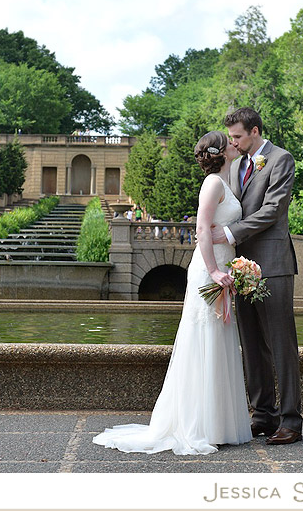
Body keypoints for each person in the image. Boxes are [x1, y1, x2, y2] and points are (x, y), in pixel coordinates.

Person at [93, 131, 251, 455]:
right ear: (221, 151)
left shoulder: (225, 182)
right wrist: (216, 271)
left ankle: (216, 423)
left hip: (222, 267)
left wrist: (231, 267)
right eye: (230, 141)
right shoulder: (213, 184)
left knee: (218, 342)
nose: (236, 143)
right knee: (203, 341)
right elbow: (202, 230)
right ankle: (198, 425)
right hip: (209, 270)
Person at [212, 107, 303, 445]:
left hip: (274, 264)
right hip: (243, 266)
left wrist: (231, 233)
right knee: (251, 345)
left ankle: (291, 421)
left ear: (254, 131)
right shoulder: (237, 165)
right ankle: (262, 415)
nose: (233, 143)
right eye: (231, 137)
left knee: (282, 345)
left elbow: (273, 208)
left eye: (237, 136)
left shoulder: (281, 159)